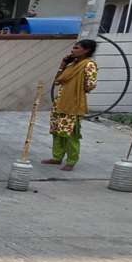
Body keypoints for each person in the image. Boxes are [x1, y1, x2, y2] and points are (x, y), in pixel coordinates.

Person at [42, 39, 98, 171]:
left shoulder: (89, 64)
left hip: (73, 104)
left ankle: (71, 161)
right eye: (73, 48)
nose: (73, 50)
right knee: (57, 131)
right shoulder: (72, 64)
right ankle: (56, 157)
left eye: (77, 48)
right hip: (60, 102)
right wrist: (63, 64)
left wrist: (76, 88)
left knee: (71, 134)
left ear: (86, 50)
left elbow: (90, 85)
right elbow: (58, 80)